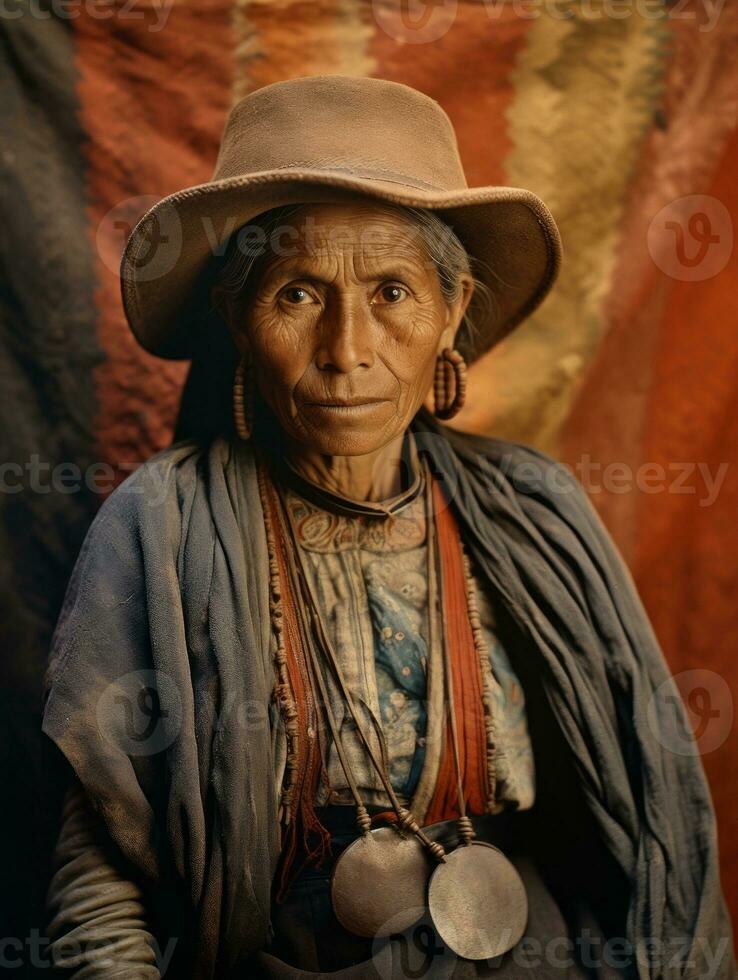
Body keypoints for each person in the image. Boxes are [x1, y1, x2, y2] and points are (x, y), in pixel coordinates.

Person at [41, 75, 735, 979]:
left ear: (452, 312)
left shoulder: (536, 511)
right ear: (236, 320)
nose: (348, 350)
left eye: (394, 292)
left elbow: (652, 834)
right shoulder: (164, 528)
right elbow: (98, 882)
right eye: (296, 294)